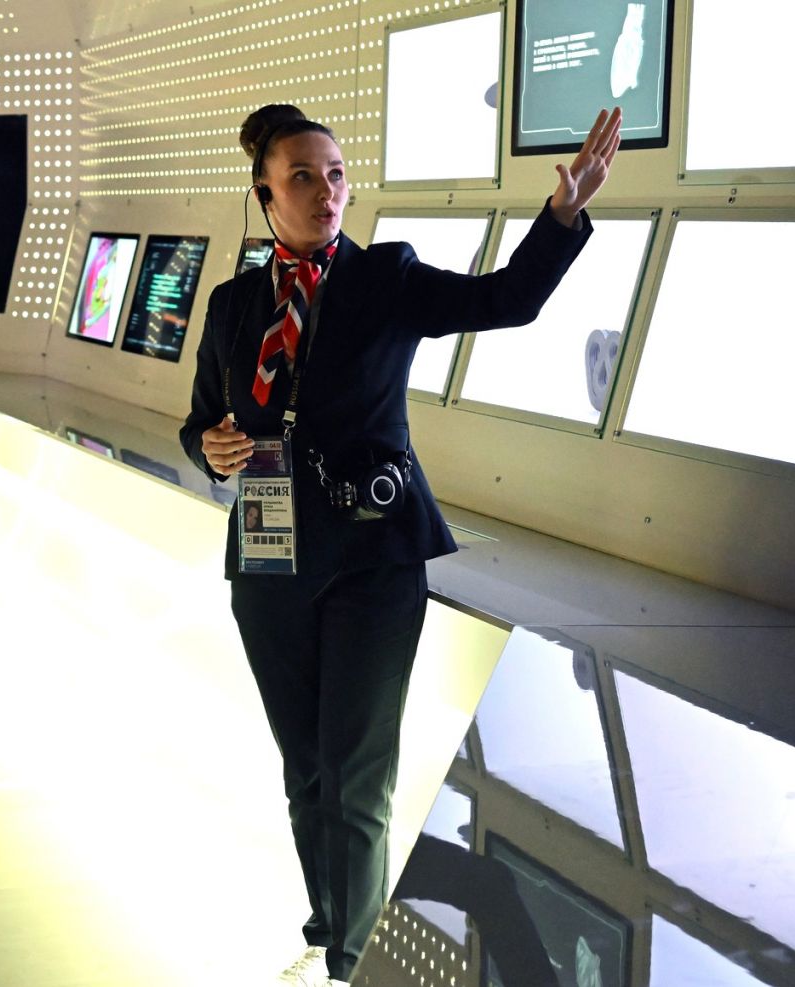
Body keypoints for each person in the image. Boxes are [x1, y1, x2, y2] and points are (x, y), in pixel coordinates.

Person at [179, 103, 619, 986]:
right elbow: (200, 421)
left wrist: (562, 216)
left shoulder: (385, 276)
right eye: (303, 177)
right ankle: (329, 926)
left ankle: (352, 962)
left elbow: (505, 299)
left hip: (373, 556)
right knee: (306, 771)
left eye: (337, 174)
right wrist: (210, 447)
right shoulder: (233, 305)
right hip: (267, 552)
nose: (327, 192)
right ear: (265, 193)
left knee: (358, 776)